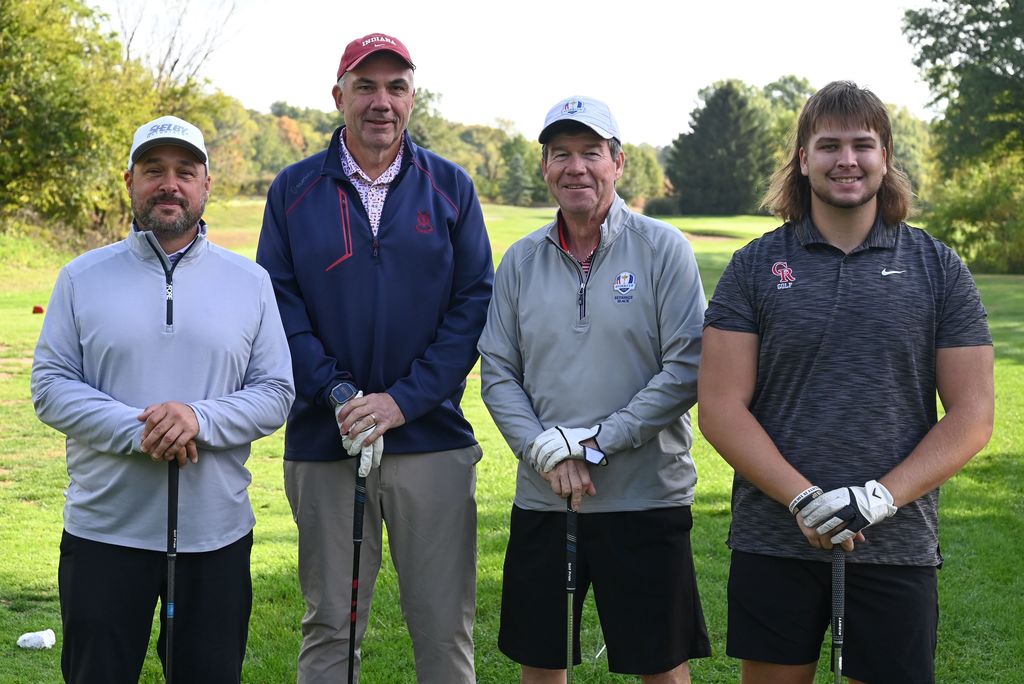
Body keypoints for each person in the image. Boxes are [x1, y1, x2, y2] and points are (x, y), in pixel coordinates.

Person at [698, 81, 995, 684]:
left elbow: (973, 415)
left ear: (885, 156)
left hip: (897, 540)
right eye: (828, 145)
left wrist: (879, 498)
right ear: (803, 159)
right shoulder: (755, 265)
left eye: (862, 145)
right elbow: (721, 406)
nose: (847, 160)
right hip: (775, 537)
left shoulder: (938, 267)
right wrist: (802, 499)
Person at [255, 33, 493, 683]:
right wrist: (340, 395)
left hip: (431, 438)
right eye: (365, 87)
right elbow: (279, 307)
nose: (381, 102)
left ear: (413, 98)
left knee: (444, 628)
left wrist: (401, 402)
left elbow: (473, 304)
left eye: (395, 87)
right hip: (325, 439)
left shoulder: (451, 186)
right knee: (331, 626)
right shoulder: (294, 189)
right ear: (339, 97)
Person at [31, 115, 295, 683]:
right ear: (130, 181)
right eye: (153, 170)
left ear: (206, 185)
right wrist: (143, 429)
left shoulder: (250, 282)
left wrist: (197, 419)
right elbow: (51, 385)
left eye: (185, 171)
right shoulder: (81, 277)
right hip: (104, 531)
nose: (169, 184)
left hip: (215, 535)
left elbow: (275, 392)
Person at [479, 95, 712, 683]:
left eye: (591, 153)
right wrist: (545, 451)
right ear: (545, 168)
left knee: (661, 664)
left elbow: (687, 366)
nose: (575, 167)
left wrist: (595, 443)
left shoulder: (663, 249)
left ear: (618, 163)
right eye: (561, 154)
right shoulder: (521, 261)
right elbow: (498, 371)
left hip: (646, 497)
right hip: (545, 497)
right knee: (542, 660)